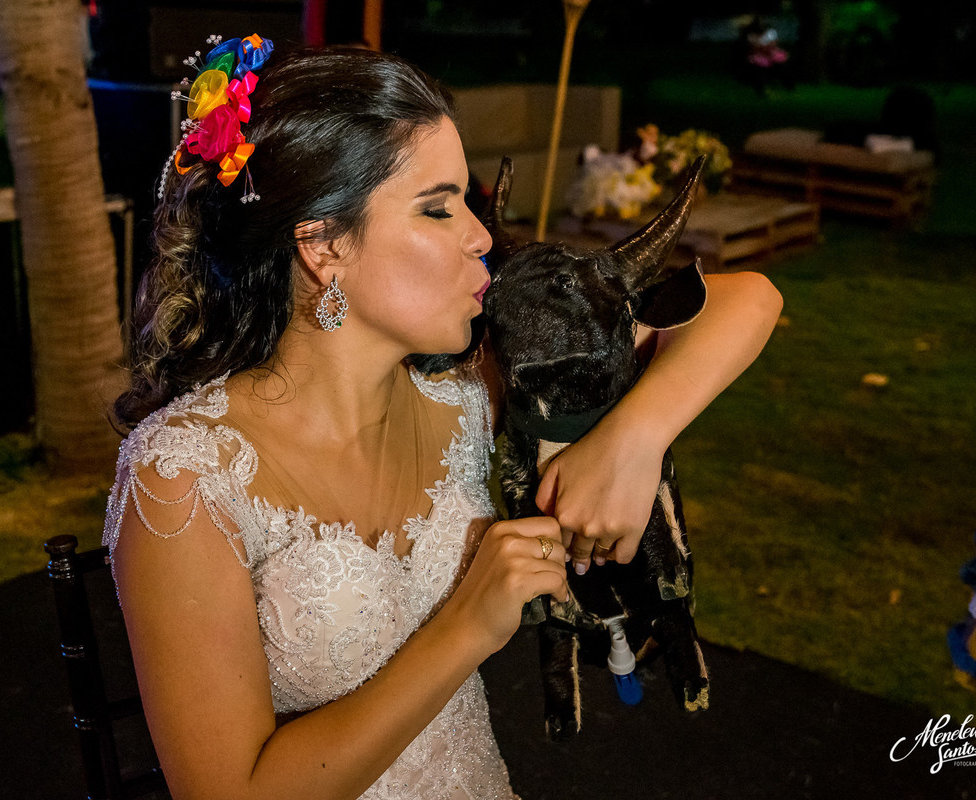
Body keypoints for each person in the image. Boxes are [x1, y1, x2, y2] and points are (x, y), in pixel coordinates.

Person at [104, 40, 783, 800]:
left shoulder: (464, 398)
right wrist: (468, 625)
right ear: (325, 244)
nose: (481, 237)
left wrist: (634, 440)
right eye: (437, 207)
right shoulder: (184, 478)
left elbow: (745, 299)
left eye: (467, 200)